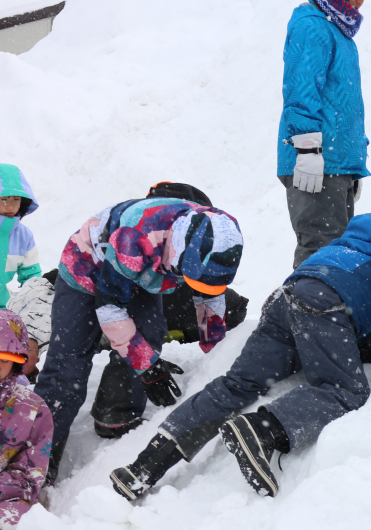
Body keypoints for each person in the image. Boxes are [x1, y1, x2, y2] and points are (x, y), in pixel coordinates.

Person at [110, 154, 371, 500]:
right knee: (345, 391)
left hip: (290, 295)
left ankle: (145, 466)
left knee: (237, 384)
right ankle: (263, 430)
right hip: (327, 305)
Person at [34, 197, 243, 468]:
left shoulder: (220, 242)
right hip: (86, 265)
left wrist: (216, 353)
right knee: (67, 366)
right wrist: (148, 368)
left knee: (149, 332)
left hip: (145, 271)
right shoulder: (134, 237)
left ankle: (116, 413)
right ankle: (35, 456)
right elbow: (110, 308)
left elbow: (209, 296)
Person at [278, 0, 371, 268]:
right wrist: (307, 149)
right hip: (316, 161)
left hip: (335, 163)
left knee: (335, 254)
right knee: (321, 253)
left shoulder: (339, 31)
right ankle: (307, 301)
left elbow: (343, 102)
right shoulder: (312, 26)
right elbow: (301, 89)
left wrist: (352, 163)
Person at [0, 309, 53, 530]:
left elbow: (29, 475)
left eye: (3, 359)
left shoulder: (32, 409)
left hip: (4, 498)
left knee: (20, 522)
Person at [0, 164, 41, 309]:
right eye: (4, 199)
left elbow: (31, 276)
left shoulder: (23, 236)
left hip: (2, 306)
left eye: (16, 199)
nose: (10, 206)